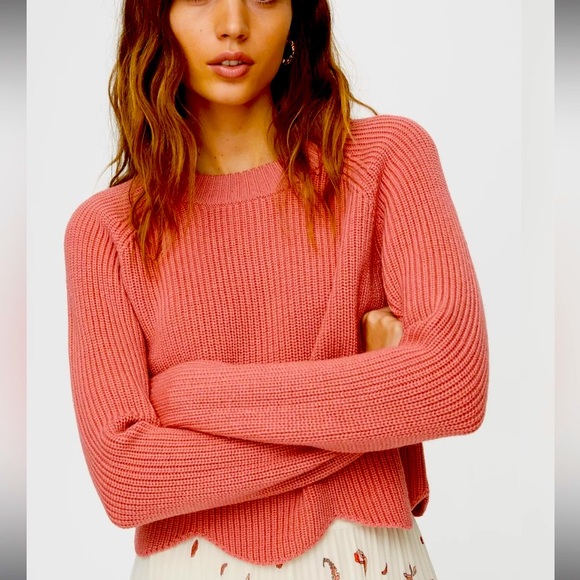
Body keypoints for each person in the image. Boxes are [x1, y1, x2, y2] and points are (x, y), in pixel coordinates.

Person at [64, 0, 489, 578]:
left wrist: (192, 396)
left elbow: (453, 387)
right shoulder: (108, 230)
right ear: (155, 18)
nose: (233, 25)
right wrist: (371, 414)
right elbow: (128, 482)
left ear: (297, 16)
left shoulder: (385, 161)